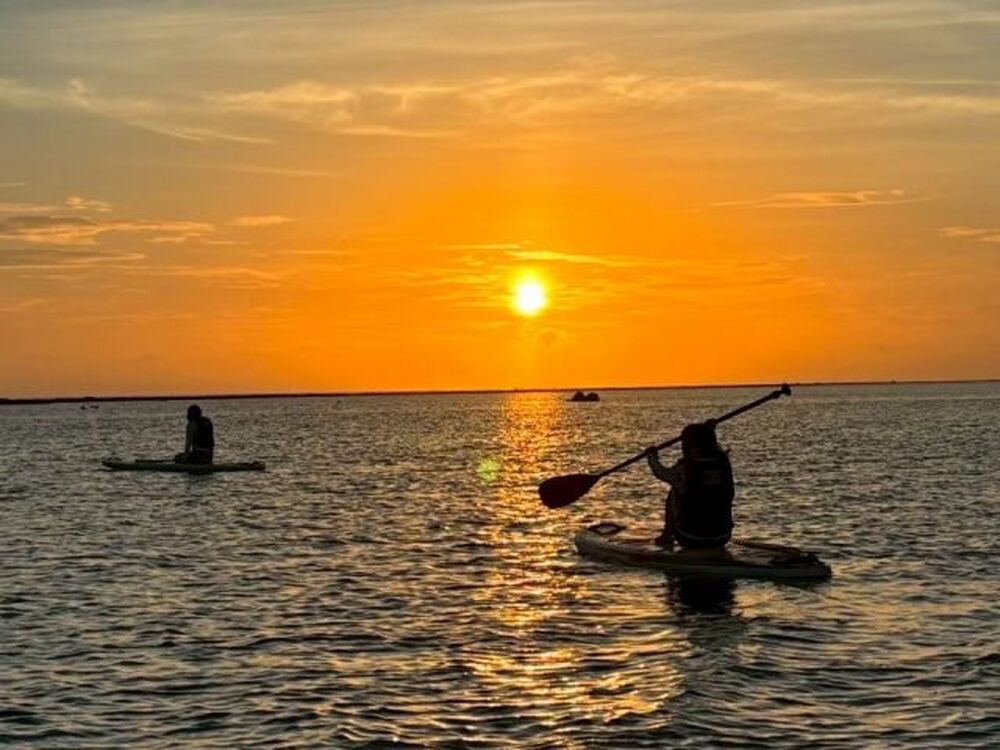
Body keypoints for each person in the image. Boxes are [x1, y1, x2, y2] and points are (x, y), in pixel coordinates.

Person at [645, 420, 734, 550]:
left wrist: (652, 457)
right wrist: (708, 431)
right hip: (722, 537)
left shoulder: (685, 468)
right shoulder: (723, 463)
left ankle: (667, 535)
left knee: (674, 490)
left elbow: (661, 473)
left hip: (690, 537)